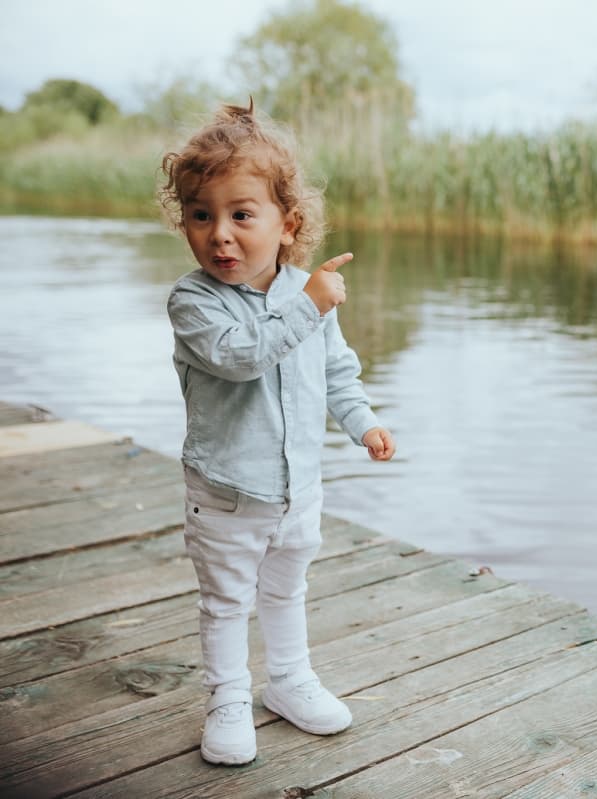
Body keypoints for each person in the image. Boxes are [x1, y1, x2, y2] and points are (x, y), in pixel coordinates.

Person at [159, 101, 395, 766]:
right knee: (228, 600)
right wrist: (312, 303)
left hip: (299, 489)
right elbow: (242, 354)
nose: (220, 234)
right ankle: (229, 698)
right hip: (228, 492)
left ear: (287, 223)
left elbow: (338, 374)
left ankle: (289, 681)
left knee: (288, 588)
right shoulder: (194, 302)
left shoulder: (306, 289)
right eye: (201, 215)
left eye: (241, 214)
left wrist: (365, 422)